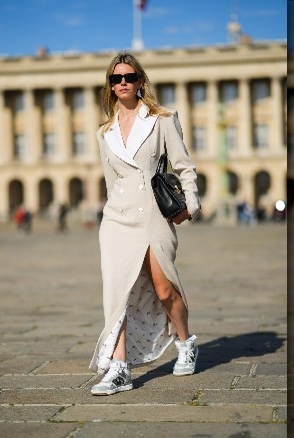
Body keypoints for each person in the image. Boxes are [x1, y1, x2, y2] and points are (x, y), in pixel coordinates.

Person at [89, 52, 201, 396]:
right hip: (117, 219)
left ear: (140, 81)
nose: (122, 82)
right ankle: (120, 368)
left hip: (152, 214)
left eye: (129, 76)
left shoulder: (163, 119)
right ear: (109, 86)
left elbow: (183, 166)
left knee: (164, 288)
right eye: (115, 78)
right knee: (117, 295)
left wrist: (191, 204)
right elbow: (111, 183)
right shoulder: (103, 132)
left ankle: (186, 342)